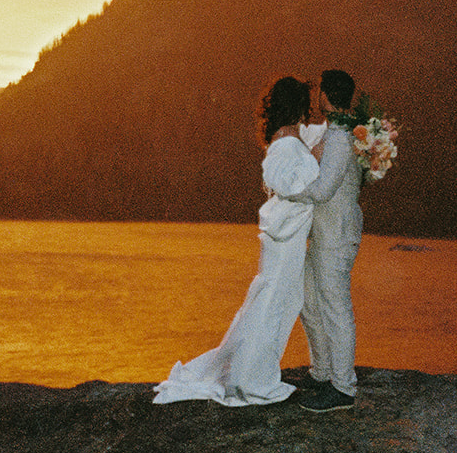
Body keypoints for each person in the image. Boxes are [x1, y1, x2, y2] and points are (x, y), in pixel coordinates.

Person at [152, 76, 321, 407]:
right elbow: (284, 182)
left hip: (286, 235)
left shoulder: (288, 138)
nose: (309, 112)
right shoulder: (287, 143)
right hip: (286, 238)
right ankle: (250, 378)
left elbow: (313, 145)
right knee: (275, 302)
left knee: (273, 301)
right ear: (296, 106)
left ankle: (250, 371)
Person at [287, 69, 365, 413]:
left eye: (319, 91)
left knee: (334, 307)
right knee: (310, 300)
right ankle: (321, 372)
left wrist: (289, 192)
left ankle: (343, 387)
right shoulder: (342, 133)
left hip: (336, 236)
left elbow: (323, 190)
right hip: (326, 233)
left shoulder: (340, 139)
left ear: (325, 96)